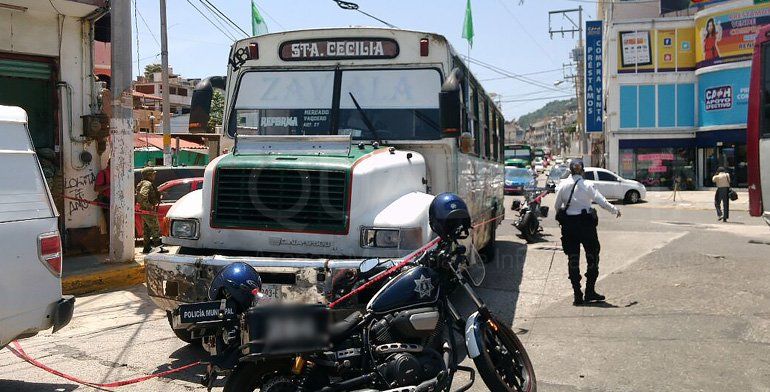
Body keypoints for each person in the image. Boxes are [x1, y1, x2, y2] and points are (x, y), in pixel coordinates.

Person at [554, 160, 621, 306]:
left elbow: (557, 206)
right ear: (582, 171)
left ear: (570, 171)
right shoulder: (588, 185)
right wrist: (614, 210)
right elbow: (601, 201)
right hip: (586, 227)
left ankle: (577, 294)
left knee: (573, 259)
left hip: (569, 227)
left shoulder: (563, 185)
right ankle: (589, 291)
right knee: (592, 257)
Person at [136, 167, 163, 254]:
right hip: (148, 211)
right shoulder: (147, 184)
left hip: (145, 210)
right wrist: (149, 206)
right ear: (149, 175)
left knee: (147, 230)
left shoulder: (143, 183)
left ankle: (146, 248)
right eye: (153, 174)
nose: (154, 175)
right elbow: (143, 195)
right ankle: (159, 248)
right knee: (155, 228)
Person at [94, 158, 111, 235]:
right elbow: (96, 188)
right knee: (110, 223)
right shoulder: (103, 173)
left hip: (118, 201)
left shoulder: (118, 173)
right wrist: (110, 185)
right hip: (107, 201)